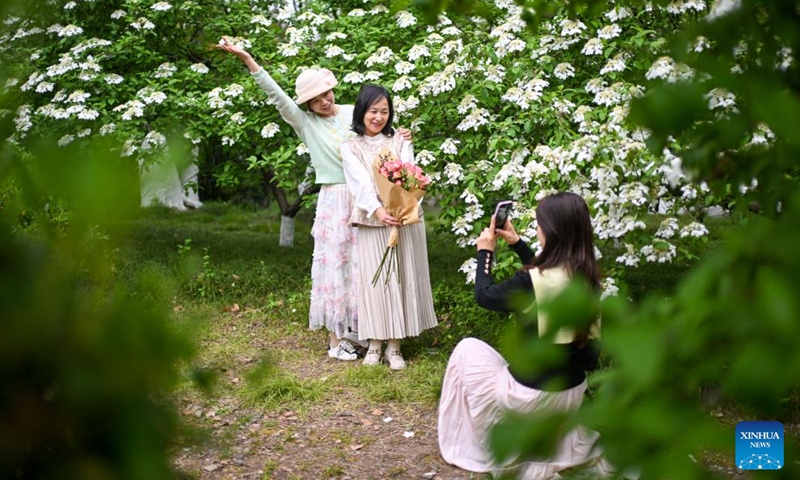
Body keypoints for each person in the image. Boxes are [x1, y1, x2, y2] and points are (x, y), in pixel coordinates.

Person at [215, 37, 409, 361]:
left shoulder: (352, 113)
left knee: (363, 264)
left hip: (366, 195)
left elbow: (380, 129)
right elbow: (276, 95)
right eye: (315, 98)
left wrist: (401, 135)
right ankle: (336, 341)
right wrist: (247, 59)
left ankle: (362, 332)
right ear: (306, 103)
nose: (323, 100)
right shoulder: (304, 122)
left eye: (326, 93)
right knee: (335, 265)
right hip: (334, 198)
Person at [437, 192, 615, 479]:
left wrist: (485, 252)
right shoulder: (588, 278)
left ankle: (470, 441)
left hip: (531, 397)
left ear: (552, 231)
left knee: (466, 349)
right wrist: (518, 244)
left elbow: (484, 296)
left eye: (539, 225)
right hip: (570, 396)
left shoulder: (531, 282)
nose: (538, 230)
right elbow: (548, 276)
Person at [340, 84, 438, 371]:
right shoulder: (350, 147)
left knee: (400, 279)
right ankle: (374, 342)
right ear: (362, 111)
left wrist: (400, 206)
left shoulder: (400, 140)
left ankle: (395, 346)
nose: (379, 117)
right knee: (375, 281)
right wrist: (379, 210)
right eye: (373, 111)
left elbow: (409, 174)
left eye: (384, 111)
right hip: (373, 220)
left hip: (403, 218)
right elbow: (358, 183)